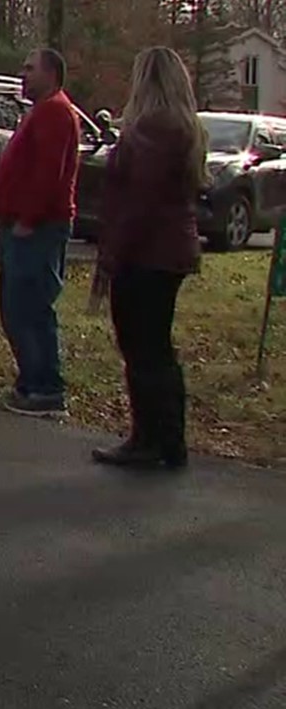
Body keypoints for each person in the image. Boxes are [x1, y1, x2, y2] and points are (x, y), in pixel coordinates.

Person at [91, 46, 205, 469]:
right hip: (168, 250)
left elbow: (138, 203)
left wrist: (112, 257)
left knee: (142, 346)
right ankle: (166, 438)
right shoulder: (182, 127)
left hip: (146, 253)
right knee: (156, 346)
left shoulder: (152, 130)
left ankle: (151, 438)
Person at [0, 47, 82, 418]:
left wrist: (28, 218)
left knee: (31, 306)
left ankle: (46, 388)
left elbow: (50, 174)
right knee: (16, 307)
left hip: (39, 228)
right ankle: (31, 380)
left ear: (52, 74)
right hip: (20, 225)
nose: (23, 74)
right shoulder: (40, 111)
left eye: (30, 68)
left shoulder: (57, 112)